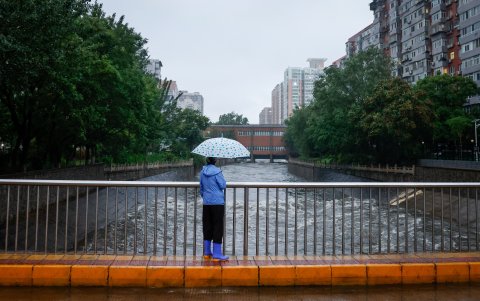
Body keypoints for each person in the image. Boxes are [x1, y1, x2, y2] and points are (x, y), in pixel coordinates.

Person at [199, 157, 229, 261]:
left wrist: (206, 197)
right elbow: (223, 185)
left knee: (207, 226)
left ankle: (207, 252)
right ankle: (217, 253)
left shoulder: (202, 172)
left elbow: (201, 188)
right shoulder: (217, 172)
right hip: (217, 203)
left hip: (206, 202)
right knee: (218, 226)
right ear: (215, 161)